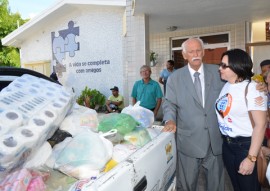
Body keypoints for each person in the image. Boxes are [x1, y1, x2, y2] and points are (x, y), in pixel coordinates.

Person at [162, 37, 225, 191]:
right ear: (184, 55)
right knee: (187, 185)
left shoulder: (218, 73)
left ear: (203, 52)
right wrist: (170, 120)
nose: (195, 54)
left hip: (214, 141)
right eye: (191, 51)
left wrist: (258, 86)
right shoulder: (174, 78)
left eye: (198, 50)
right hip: (188, 142)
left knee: (217, 185)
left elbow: (237, 83)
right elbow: (170, 103)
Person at [215, 49, 267, 191]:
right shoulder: (227, 85)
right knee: (237, 187)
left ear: (237, 67)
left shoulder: (253, 89)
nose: (220, 68)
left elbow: (261, 125)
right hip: (228, 145)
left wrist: (251, 158)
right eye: (221, 64)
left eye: (224, 66)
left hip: (246, 146)